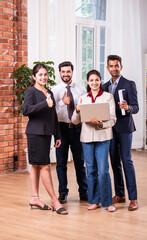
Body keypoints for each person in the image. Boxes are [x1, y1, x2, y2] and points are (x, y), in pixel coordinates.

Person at [22, 63, 68, 215]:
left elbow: (52, 115)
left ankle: (34, 197)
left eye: (45, 74)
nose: (43, 77)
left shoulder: (49, 91)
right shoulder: (31, 91)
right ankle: (54, 200)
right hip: (35, 134)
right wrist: (44, 103)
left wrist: (58, 135)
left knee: (36, 165)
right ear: (34, 77)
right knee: (45, 166)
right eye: (40, 75)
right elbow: (26, 111)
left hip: (46, 133)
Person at [72, 69, 117, 212]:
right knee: (90, 170)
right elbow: (74, 121)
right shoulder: (83, 97)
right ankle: (94, 200)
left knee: (103, 171)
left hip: (103, 137)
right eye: (91, 80)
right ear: (88, 82)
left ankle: (108, 202)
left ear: (100, 80)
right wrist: (77, 110)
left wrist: (101, 123)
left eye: (97, 80)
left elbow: (113, 119)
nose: (94, 82)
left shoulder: (108, 97)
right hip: (86, 138)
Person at [103, 55, 139, 211]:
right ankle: (120, 193)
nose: (114, 68)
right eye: (111, 66)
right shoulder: (104, 86)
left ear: (121, 67)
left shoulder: (129, 84)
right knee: (114, 162)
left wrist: (128, 107)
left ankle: (133, 198)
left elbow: (136, 107)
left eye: (116, 66)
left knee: (127, 161)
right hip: (109, 130)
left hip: (125, 129)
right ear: (107, 68)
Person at [52, 61, 88, 203]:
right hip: (61, 129)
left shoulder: (81, 89)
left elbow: (85, 108)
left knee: (80, 162)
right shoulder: (55, 91)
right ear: (59, 73)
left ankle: (83, 192)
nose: (66, 74)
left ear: (72, 72)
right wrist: (62, 103)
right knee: (61, 163)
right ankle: (62, 192)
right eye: (63, 71)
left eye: (68, 71)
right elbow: (50, 112)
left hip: (77, 129)